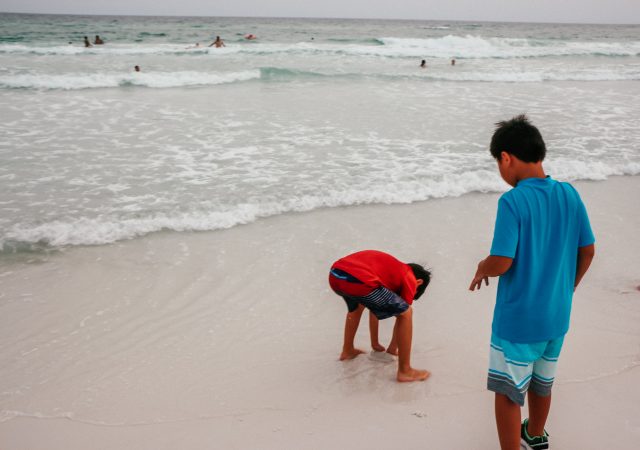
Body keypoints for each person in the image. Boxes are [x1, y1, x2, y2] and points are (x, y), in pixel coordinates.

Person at [469, 115, 595, 450]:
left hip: (518, 321)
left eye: (499, 162)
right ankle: (535, 436)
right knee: (542, 383)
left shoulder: (512, 201)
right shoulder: (569, 194)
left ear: (506, 158)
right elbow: (588, 250)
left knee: (508, 392)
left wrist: (483, 267)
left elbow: (502, 261)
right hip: (556, 317)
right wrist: (567, 288)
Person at [328, 250, 432, 382]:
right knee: (406, 313)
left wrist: (375, 343)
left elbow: (374, 308)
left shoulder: (389, 272)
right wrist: (392, 349)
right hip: (360, 280)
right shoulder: (408, 276)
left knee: (357, 307)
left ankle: (347, 351)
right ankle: (405, 371)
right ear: (419, 283)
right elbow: (403, 313)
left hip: (335, 275)